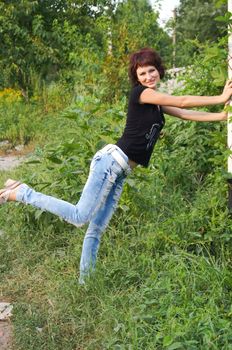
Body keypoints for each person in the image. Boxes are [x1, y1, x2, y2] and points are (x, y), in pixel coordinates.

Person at [0, 48, 231, 284]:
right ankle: (23, 193)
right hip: (110, 163)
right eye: (142, 73)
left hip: (121, 171)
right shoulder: (142, 94)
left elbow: (183, 112)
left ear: (159, 71)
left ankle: (85, 284)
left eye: (152, 71)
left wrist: (222, 117)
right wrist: (220, 98)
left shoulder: (157, 104)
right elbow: (182, 99)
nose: (148, 76)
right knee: (80, 216)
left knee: (96, 229)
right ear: (136, 77)